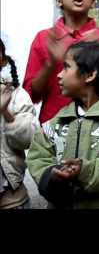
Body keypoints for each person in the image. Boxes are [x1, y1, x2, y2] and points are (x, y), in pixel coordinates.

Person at [26, 41, 99, 209]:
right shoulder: (58, 121)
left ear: (90, 75)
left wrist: (84, 171)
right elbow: (38, 157)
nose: (59, 75)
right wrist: (52, 176)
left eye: (66, 67)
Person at [23, 0, 99, 124]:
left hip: (98, 126)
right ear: (59, 0)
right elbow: (31, 96)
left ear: (93, 1)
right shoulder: (44, 38)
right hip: (53, 126)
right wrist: (50, 64)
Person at [0, 38, 40, 209]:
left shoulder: (16, 95)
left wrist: (5, 111)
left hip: (11, 198)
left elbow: (28, 140)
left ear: (2, 60)